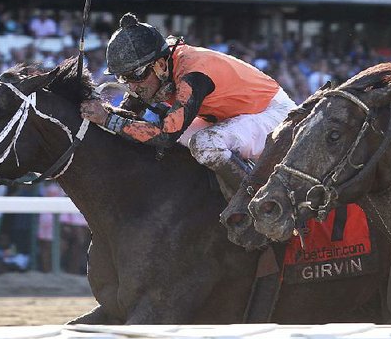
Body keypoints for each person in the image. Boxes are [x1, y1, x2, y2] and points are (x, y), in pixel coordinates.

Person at [79, 13, 296, 200]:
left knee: (204, 144)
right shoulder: (161, 67)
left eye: (135, 75)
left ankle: (259, 203)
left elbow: (164, 136)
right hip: (232, 116)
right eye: (123, 77)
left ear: (160, 65)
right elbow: (131, 115)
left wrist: (108, 119)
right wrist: (103, 114)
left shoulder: (192, 75)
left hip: (271, 114)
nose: (132, 86)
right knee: (171, 138)